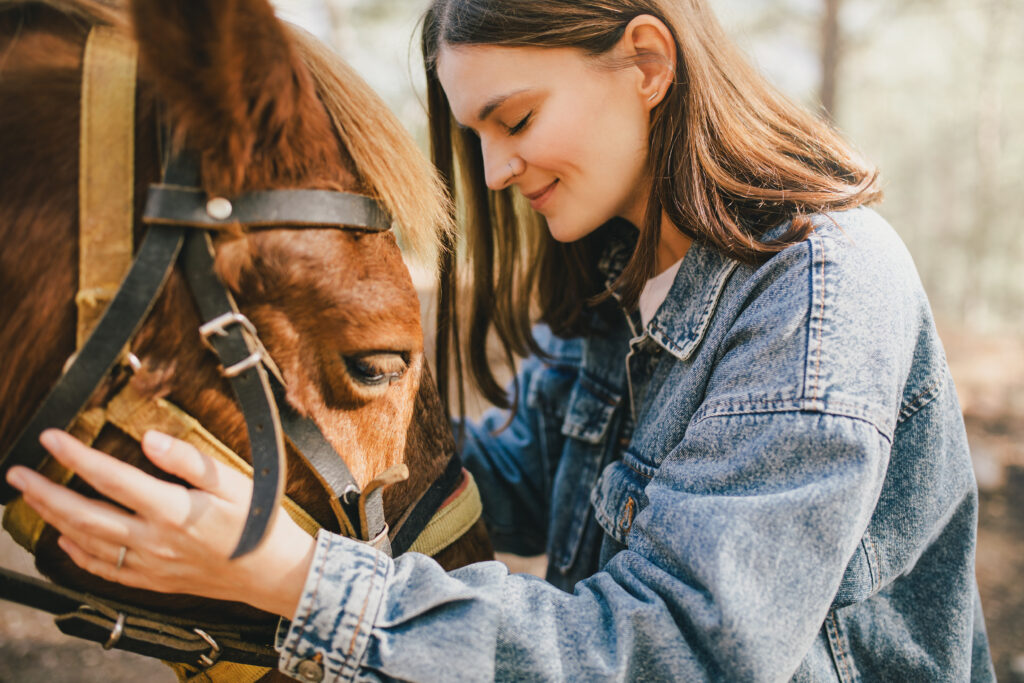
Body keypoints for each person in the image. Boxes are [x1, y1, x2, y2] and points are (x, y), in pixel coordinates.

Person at [6, 0, 995, 680]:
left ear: (647, 65)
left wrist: (291, 574)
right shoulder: (621, 282)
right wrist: (281, 433)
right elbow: (512, 472)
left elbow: (685, 652)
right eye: (472, 132)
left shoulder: (821, 291)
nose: (488, 172)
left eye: (513, 118)